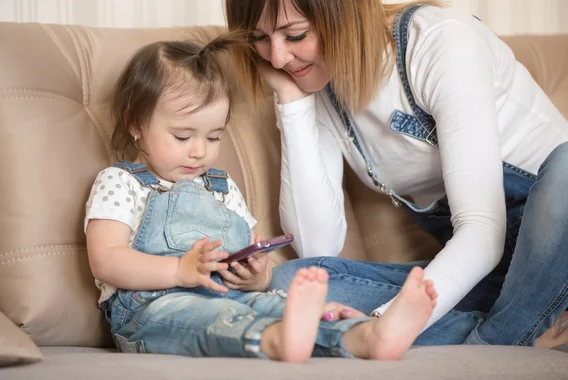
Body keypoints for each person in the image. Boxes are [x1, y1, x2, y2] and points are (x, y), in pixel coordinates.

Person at [223, 0, 568, 347]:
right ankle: (536, 324)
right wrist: (293, 104)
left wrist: (385, 321)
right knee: (291, 283)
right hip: (492, 278)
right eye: (259, 38)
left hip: (551, 259)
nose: (276, 58)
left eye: (296, 35)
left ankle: (497, 341)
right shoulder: (314, 80)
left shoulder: (440, 41)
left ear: (345, 14)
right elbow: (317, 243)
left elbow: (482, 231)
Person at [83, 35, 441, 362]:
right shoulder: (121, 182)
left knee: (277, 304)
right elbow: (107, 260)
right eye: (182, 136)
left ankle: (365, 337)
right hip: (155, 309)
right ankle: (274, 341)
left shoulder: (220, 187)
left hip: (232, 297)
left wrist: (255, 274)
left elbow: (256, 268)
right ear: (135, 123)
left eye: (213, 137)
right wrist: (179, 270)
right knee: (216, 320)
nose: (199, 152)